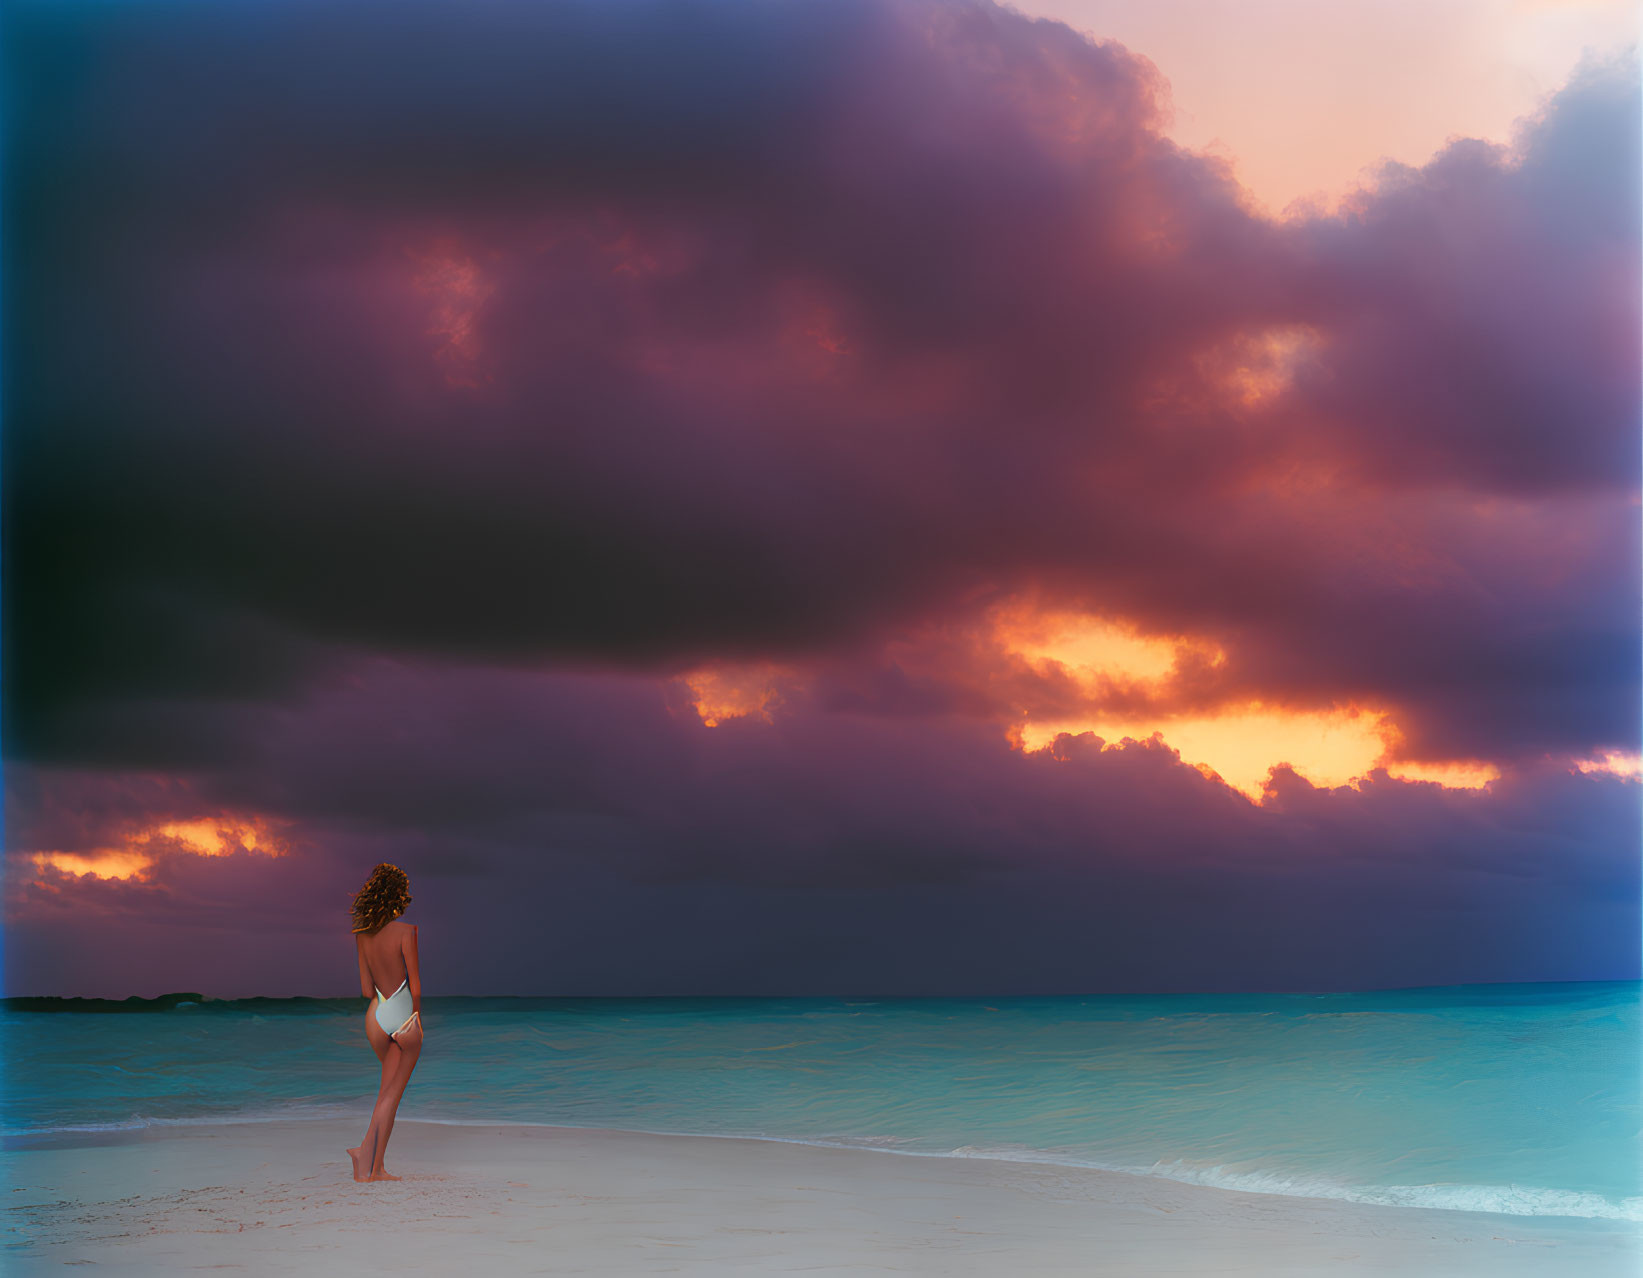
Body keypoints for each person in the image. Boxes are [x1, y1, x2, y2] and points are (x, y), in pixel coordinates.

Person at [346, 862, 424, 1182]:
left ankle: (372, 1164)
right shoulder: (407, 932)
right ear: (398, 895)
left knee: (385, 1091)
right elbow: (415, 986)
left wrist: (384, 1004)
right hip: (402, 1013)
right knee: (391, 1096)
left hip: (375, 1014)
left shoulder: (362, 935)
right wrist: (415, 1018)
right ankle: (369, 1160)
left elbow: (366, 989)